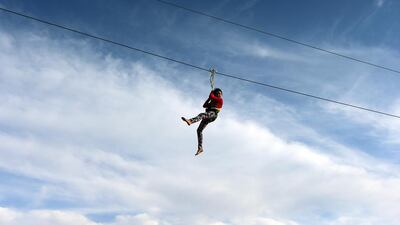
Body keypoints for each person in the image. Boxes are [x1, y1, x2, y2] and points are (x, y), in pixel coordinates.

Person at [181, 88, 223, 156]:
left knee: (202, 115)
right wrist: (209, 99)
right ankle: (200, 148)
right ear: (216, 94)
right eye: (218, 93)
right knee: (199, 130)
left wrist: (212, 93)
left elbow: (211, 96)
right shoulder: (212, 101)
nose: (219, 94)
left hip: (213, 114)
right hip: (208, 117)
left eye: (220, 93)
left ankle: (190, 121)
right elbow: (204, 105)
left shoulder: (220, 100)